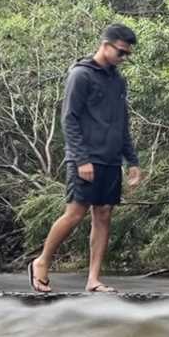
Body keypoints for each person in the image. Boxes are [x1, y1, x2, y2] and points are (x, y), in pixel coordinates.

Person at [28, 24, 143, 293]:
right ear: (105, 45)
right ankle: (41, 262)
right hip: (85, 158)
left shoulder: (117, 81)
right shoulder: (80, 75)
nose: (123, 58)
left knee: (103, 215)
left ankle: (93, 279)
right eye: (121, 52)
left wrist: (133, 161)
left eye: (127, 54)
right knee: (75, 213)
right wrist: (81, 159)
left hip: (111, 159)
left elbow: (122, 124)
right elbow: (69, 120)